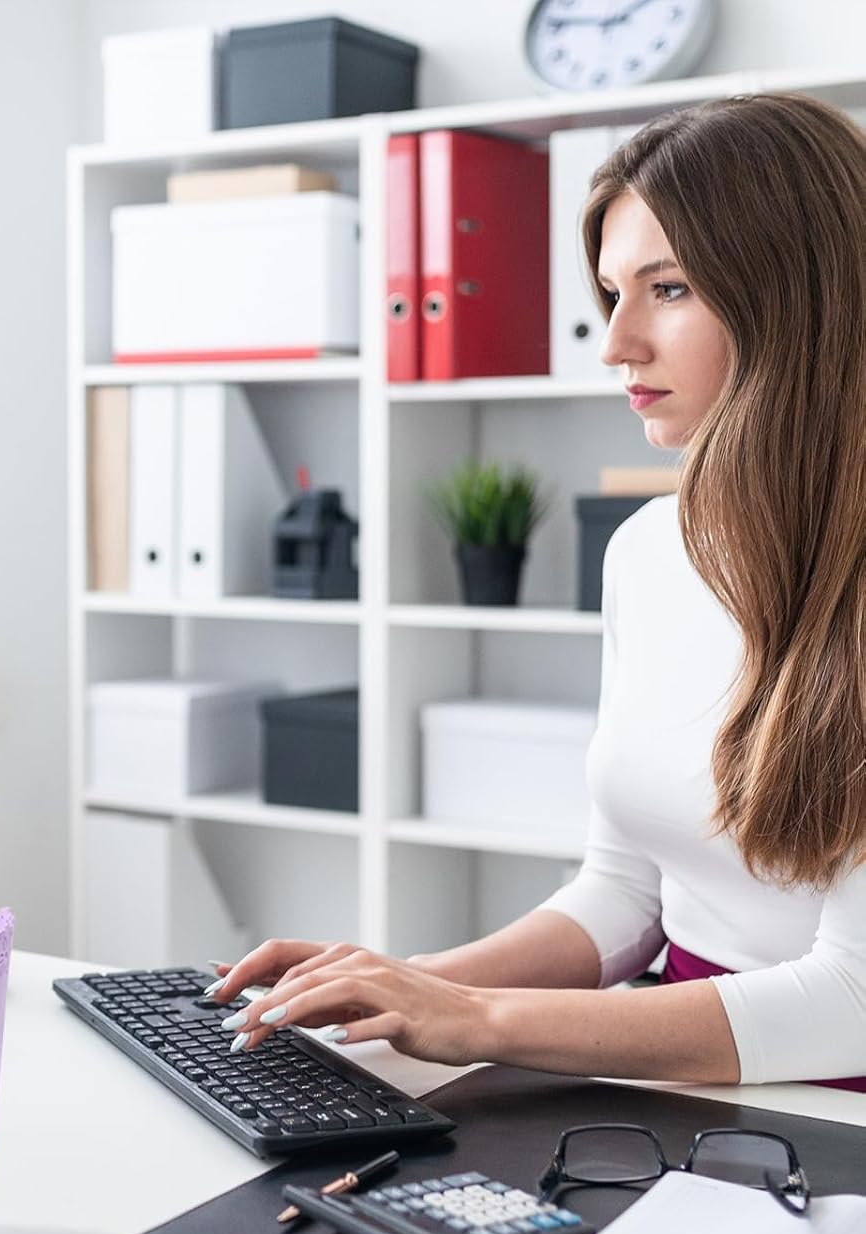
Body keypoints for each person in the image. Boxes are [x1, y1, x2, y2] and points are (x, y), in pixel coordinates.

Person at [212, 92, 866, 1087]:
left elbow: (851, 1006)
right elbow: (626, 894)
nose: (616, 343)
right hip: (682, 1074)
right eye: (614, 291)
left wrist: (476, 1018)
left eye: (672, 288)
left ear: (803, 297)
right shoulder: (649, 552)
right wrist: (396, 988)